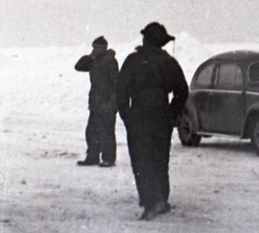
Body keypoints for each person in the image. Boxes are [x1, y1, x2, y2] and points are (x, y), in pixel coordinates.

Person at [116, 22, 188, 220]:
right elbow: (182, 91)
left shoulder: (133, 60)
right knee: (160, 159)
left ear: (145, 40)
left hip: (139, 115)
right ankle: (161, 200)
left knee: (141, 160)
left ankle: (151, 202)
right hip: (162, 116)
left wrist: (127, 116)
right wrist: (172, 114)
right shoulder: (168, 62)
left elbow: (120, 91)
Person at [74, 36, 119, 167]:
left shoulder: (110, 61)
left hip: (106, 104)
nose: (93, 49)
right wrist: (89, 56)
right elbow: (78, 67)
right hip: (95, 103)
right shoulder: (94, 61)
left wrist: (112, 104)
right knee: (92, 131)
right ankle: (92, 157)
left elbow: (116, 83)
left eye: (95, 47)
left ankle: (108, 159)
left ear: (102, 48)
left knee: (106, 132)